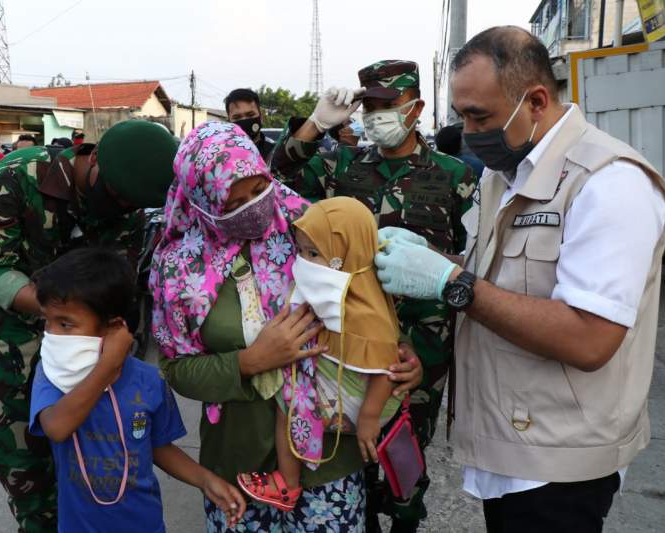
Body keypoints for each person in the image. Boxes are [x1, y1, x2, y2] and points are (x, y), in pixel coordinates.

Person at [376, 26, 665, 533]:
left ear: (534, 100)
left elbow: (589, 336)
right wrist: (439, 259)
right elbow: (499, 274)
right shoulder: (505, 174)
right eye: (462, 114)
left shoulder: (609, 183)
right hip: (512, 445)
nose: (467, 133)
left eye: (480, 116)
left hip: (559, 461)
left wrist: (451, 283)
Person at [151, 121, 423, 532]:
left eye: (259, 190)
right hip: (237, 465)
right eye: (231, 202)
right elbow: (177, 370)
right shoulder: (177, 269)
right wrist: (248, 362)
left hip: (329, 459)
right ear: (201, 200)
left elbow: (366, 299)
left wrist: (401, 355)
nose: (253, 207)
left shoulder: (311, 227)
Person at [271, 60, 475, 532]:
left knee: (403, 465)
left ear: (416, 107)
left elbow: (469, 270)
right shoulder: (338, 166)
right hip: (348, 345)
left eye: (388, 104)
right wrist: (314, 125)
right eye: (371, 105)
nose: (377, 114)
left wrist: (423, 356)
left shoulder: (455, 176)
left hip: (418, 353)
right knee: (349, 465)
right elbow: (274, 176)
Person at [0, 120, 178, 532]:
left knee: (86, 467)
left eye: (131, 204)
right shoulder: (19, 175)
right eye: (114, 194)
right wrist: (62, 311)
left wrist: (110, 336)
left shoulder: (126, 209)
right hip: (6, 343)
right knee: (27, 474)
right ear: (93, 159)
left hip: (83, 344)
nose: (121, 208)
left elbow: (117, 281)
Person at [29, 247, 245, 532]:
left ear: (114, 327)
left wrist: (204, 479)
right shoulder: (52, 373)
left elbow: (158, 447)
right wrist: (107, 367)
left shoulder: (148, 381)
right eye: (48, 321)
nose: (53, 334)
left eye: (66, 324)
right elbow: (57, 427)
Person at [236, 197, 406, 511]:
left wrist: (369, 418)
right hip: (339, 396)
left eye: (313, 253)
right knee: (288, 396)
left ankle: (288, 483)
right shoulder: (331, 288)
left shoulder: (367, 311)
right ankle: (289, 483)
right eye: (299, 251)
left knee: (288, 399)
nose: (302, 261)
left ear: (347, 254)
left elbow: (387, 367)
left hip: (362, 407)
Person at [225, 88, 275, 160]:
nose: (244, 120)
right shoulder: (223, 156)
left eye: (250, 115)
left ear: (261, 117)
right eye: (237, 117)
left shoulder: (274, 154)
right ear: (229, 121)